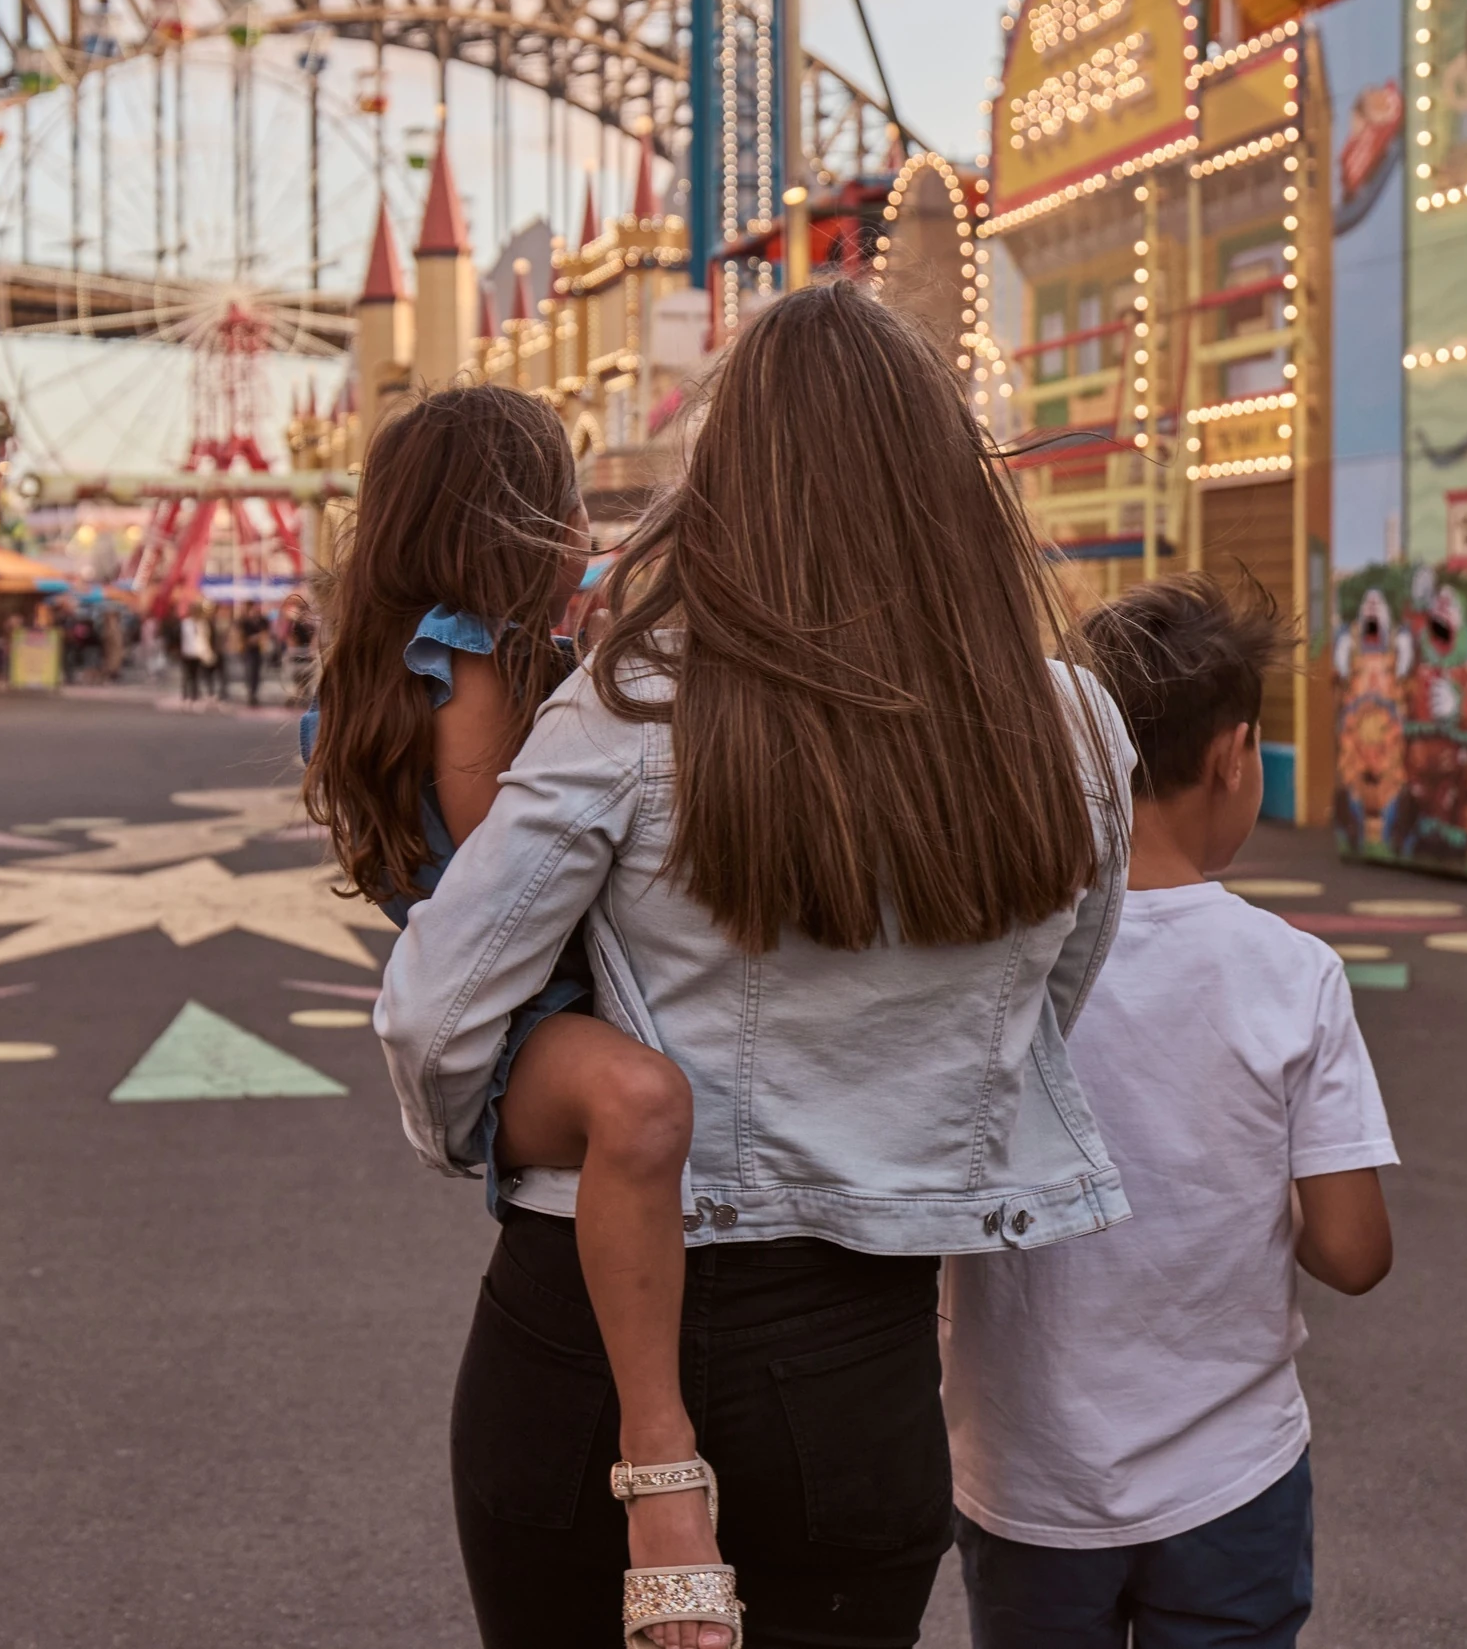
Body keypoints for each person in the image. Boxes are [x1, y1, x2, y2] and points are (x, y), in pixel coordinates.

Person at [377, 283, 1136, 1649]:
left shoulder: (631, 703)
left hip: (588, 1342)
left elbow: (437, 1012)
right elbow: (1049, 1005)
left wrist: (495, 1134)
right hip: (860, 1363)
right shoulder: (1072, 724)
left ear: (723, 483)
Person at [304, 384, 723, 1647]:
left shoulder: (416, 655)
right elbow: (513, 877)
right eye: (567, 503)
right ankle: (664, 1454)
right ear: (515, 520)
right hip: (530, 1015)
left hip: (531, 1003)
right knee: (639, 1109)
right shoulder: (472, 659)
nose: (582, 528)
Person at [944, 575, 1395, 1649]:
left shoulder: (993, 964)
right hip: (1231, 1476)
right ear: (1235, 755)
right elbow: (1353, 1250)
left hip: (1025, 1476)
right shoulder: (1293, 974)